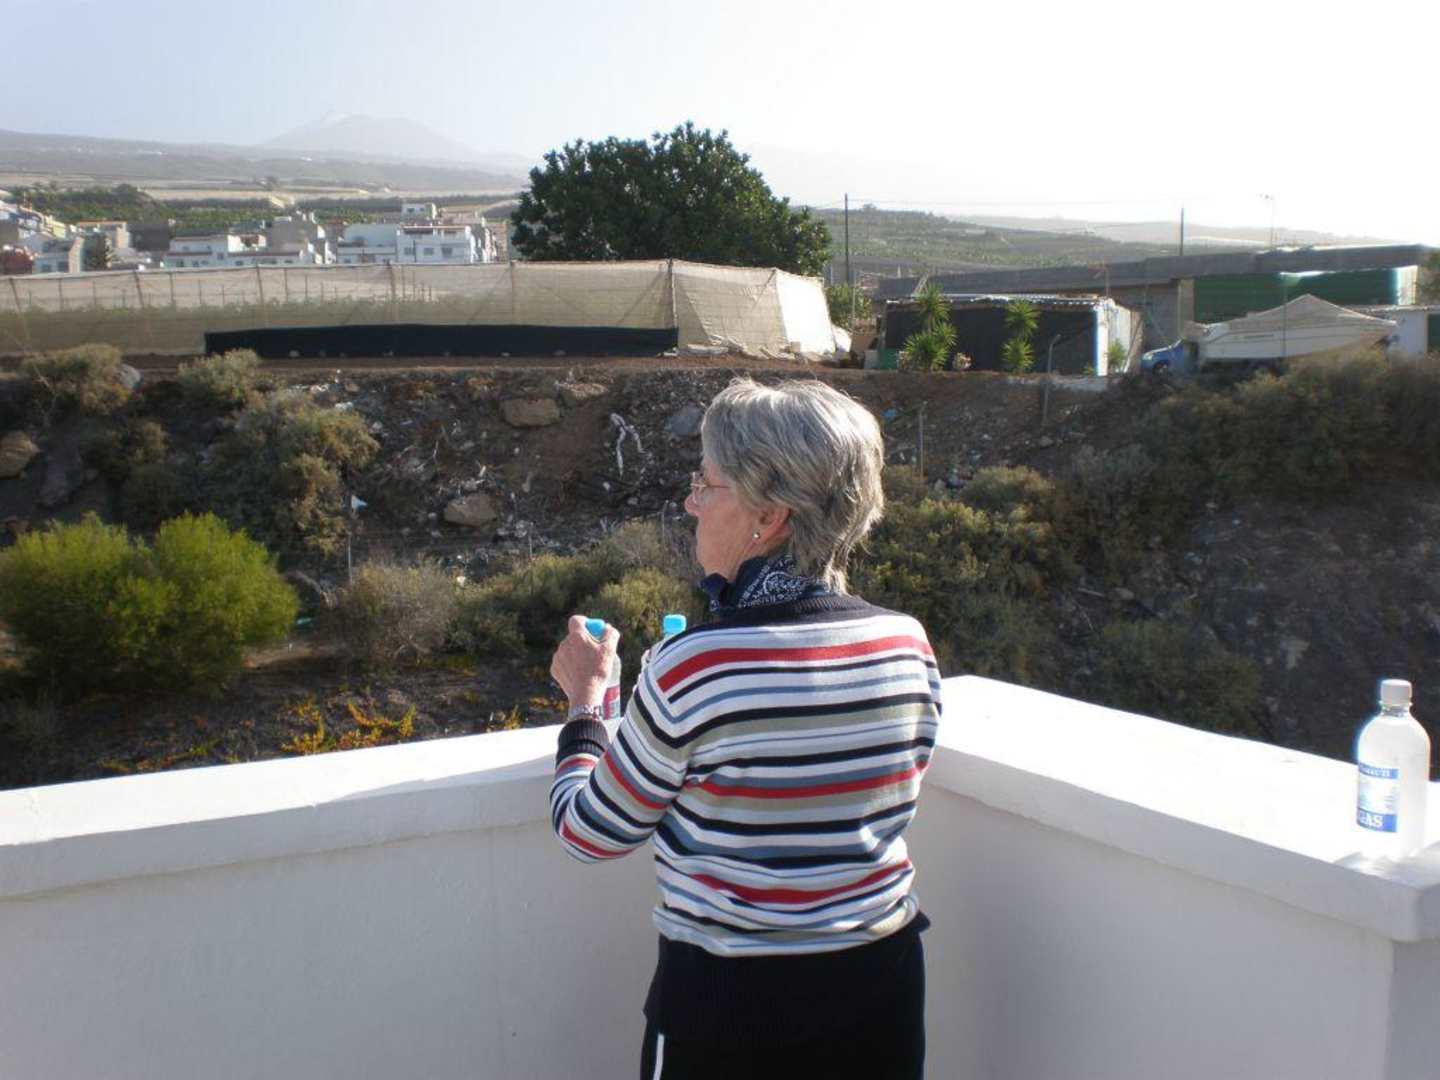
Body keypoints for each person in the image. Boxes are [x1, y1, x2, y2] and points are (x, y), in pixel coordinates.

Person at [549, 376, 942, 1079]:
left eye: (707, 483)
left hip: (731, 1011)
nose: (691, 502)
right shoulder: (905, 644)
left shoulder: (695, 665)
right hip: (881, 990)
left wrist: (585, 705)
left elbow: (590, 833)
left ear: (770, 514)